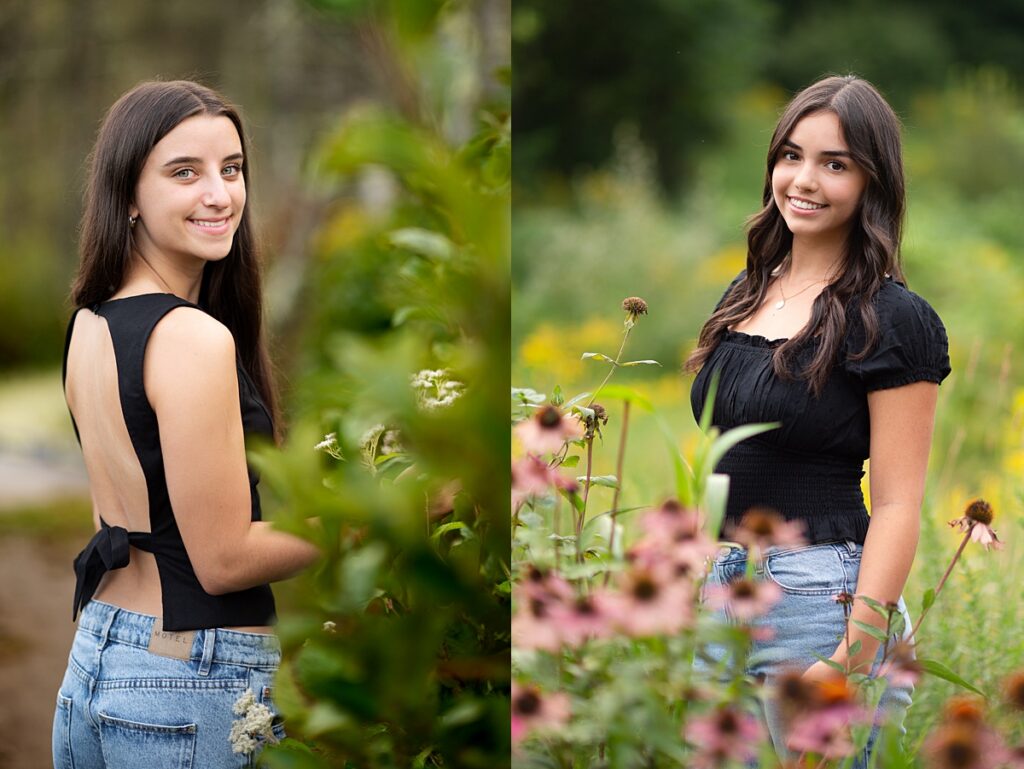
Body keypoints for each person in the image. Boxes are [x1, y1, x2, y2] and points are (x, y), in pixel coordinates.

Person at [53, 80, 320, 768]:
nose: (220, 194)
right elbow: (223, 557)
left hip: (100, 657)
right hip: (185, 680)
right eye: (184, 172)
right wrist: (381, 514)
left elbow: (133, 504)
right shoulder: (190, 338)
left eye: (231, 169)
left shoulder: (91, 322)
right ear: (129, 196)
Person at [686, 75, 950, 766]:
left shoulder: (893, 320)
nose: (804, 179)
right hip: (720, 591)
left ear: (872, 183)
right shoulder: (747, 292)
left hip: (816, 603)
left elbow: (897, 503)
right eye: (792, 155)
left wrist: (850, 655)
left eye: (835, 164)